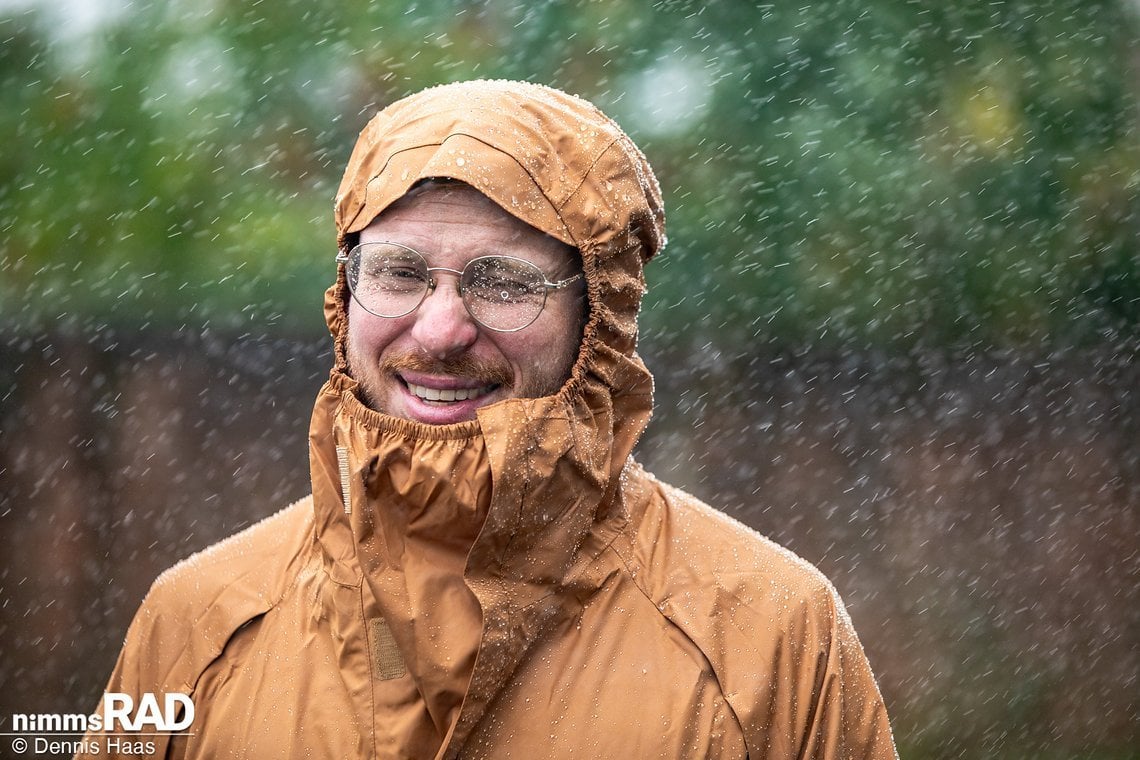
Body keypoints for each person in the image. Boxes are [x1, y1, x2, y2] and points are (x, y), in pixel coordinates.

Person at [82, 80, 897, 759]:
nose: (439, 330)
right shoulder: (196, 623)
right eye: (398, 273)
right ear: (343, 298)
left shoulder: (768, 635)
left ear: (600, 320)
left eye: (503, 282)